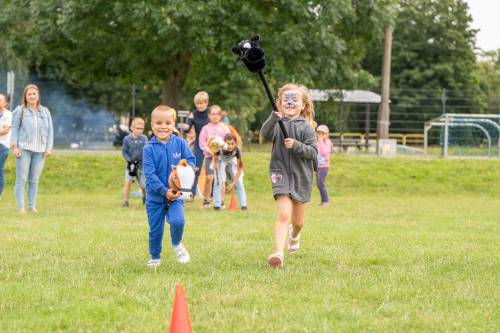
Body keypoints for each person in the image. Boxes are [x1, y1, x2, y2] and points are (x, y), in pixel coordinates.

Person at [259, 83, 317, 269]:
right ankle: (278, 253)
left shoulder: (307, 128)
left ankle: (294, 234)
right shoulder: (277, 123)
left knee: (298, 222)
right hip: (280, 173)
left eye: (295, 100)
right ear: (280, 103)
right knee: (284, 214)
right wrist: (273, 118)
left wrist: (297, 146)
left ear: (303, 105)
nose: (290, 103)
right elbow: (264, 134)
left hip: (302, 178)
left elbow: (314, 153)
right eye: (286, 100)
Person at [143, 105, 196, 269]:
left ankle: (177, 245)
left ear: (173, 124)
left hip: (176, 196)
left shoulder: (180, 143)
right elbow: (150, 176)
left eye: (167, 123)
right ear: (152, 125)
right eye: (159, 123)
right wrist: (164, 191)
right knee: (155, 230)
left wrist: (185, 165)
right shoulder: (148, 148)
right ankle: (155, 257)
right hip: (155, 197)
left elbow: (191, 161)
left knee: (178, 222)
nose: (163, 127)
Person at [11, 84, 54, 214]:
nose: (32, 96)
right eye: (29, 94)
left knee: (34, 180)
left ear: (38, 96)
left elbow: (51, 130)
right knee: (21, 178)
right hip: (23, 148)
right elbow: (15, 129)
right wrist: (15, 147)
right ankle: (21, 208)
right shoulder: (20, 110)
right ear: (25, 96)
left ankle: (32, 206)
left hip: (40, 150)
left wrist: (48, 148)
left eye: (34, 94)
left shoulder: (45, 111)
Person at [198, 105, 230, 209]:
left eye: (217, 114)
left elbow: (228, 142)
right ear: (209, 115)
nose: (215, 116)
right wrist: (210, 151)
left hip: (221, 158)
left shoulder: (224, 128)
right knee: (209, 177)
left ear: (221, 116)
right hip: (209, 157)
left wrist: (223, 149)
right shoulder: (205, 128)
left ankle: (221, 200)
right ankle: (207, 199)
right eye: (213, 114)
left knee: (221, 179)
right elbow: (202, 143)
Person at [183, 91, 209, 198]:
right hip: (199, 144)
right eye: (197, 103)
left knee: (210, 171)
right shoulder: (193, 113)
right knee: (196, 169)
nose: (199, 106)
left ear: (206, 103)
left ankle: (211, 194)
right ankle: (192, 193)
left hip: (211, 144)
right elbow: (187, 128)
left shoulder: (211, 112)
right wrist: (187, 124)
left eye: (201, 103)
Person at [213, 133, 247, 210]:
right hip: (222, 161)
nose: (230, 146)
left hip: (232, 162)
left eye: (232, 144)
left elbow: (239, 169)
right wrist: (214, 163)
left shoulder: (237, 150)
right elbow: (214, 158)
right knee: (217, 183)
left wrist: (233, 183)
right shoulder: (220, 148)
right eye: (228, 144)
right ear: (224, 143)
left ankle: (243, 205)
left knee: (240, 183)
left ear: (235, 143)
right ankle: (217, 205)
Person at [121, 117, 148, 207]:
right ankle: (125, 200)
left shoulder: (144, 138)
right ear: (132, 128)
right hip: (131, 165)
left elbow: (147, 151)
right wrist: (129, 160)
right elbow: (124, 151)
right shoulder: (127, 139)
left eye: (141, 129)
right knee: (128, 182)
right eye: (138, 128)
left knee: (143, 185)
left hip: (141, 166)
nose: (140, 130)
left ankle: (145, 197)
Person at [316, 125, 333, 206]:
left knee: (321, 183)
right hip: (318, 166)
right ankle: (323, 201)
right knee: (319, 184)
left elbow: (324, 152)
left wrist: (321, 141)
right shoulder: (318, 142)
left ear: (327, 134)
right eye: (319, 133)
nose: (320, 135)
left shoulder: (328, 142)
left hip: (324, 166)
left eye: (322, 133)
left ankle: (326, 201)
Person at [0, 93, 12, 199]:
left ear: (5, 103)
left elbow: (5, 130)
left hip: (2, 146)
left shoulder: (8, 114)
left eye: (0, 100)